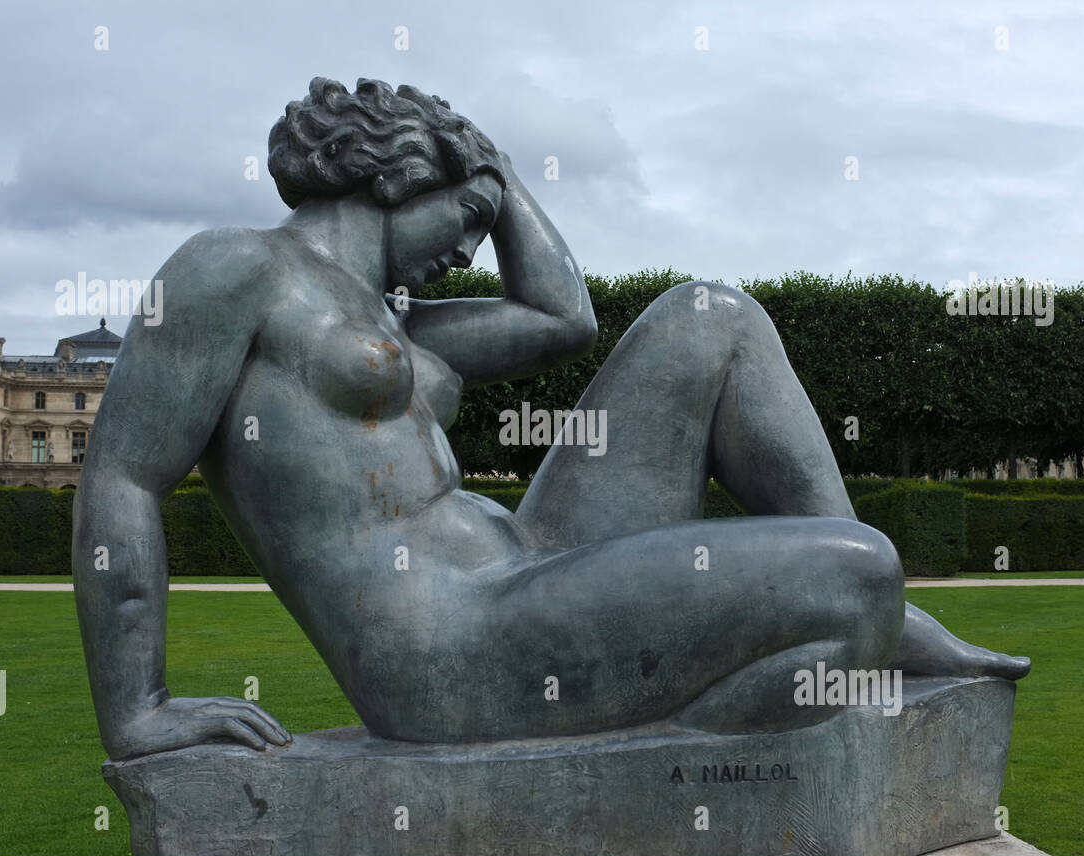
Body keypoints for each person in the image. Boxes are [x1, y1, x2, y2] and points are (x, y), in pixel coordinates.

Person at [74, 77, 1027, 761]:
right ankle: (779, 673)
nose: (472, 245)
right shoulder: (233, 269)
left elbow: (562, 315)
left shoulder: (398, 320)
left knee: (712, 317)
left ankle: (858, 621)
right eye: (471, 217)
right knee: (859, 582)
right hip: (448, 645)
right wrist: (136, 710)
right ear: (397, 177)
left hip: (528, 565)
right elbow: (121, 476)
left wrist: (495, 171)